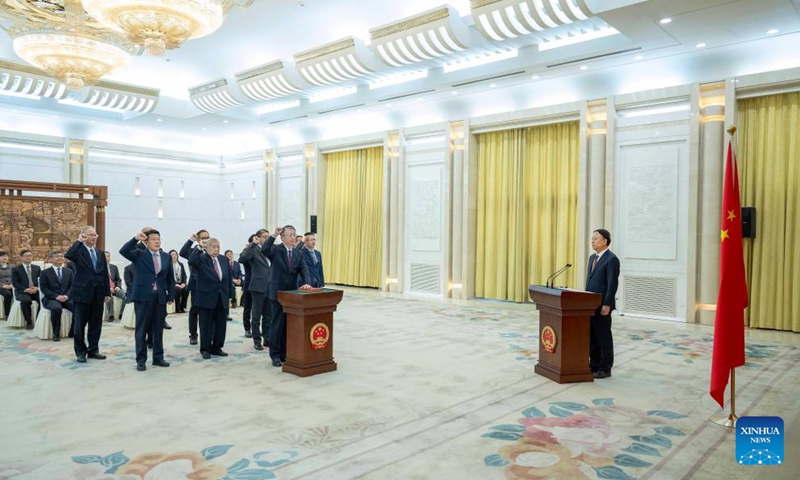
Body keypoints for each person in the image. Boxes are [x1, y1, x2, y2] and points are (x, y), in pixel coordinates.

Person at [120, 229, 175, 371]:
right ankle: (141, 359)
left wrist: (171, 295)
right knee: (141, 329)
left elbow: (170, 277)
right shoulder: (139, 254)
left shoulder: (166, 256)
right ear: (146, 242)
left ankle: (158, 357)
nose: (157, 241)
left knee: (158, 329)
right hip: (143, 297)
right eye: (153, 239)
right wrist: (135, 239)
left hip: (160, 297)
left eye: (159, 239)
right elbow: (123, 251)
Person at [265, 225, 312, 367]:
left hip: (292, 295)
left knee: (288, 325)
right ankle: (275, 354)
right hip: (277, 293)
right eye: (290, 235)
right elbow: (264, 250)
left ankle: (285, 353)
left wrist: (307, 283)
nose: (293, 238)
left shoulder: (298, 253)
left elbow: (304, 269)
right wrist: (273, 235)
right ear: (282, 237)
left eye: (294, 235)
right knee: (277, 324)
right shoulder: (276, 250)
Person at [65, 226, 111, 363]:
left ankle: (93, 350)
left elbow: (104, 274)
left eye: (95, 235)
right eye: (90, 235)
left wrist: (106, 292)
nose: (93, 237)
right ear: (83, 236)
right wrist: (79, 241)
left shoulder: (100, 252)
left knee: (96, 324)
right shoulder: (79, 251)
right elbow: (69, 255)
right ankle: (80, 352)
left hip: (98, 294)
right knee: (79, 325)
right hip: (82, 294)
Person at [188, 236, 234, 359]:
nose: (216, 249)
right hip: (206, 298)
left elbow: (228, 279)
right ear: (207, 248)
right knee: (205, 325)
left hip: (221, 297)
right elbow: (191, 260)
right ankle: (205, 349)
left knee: (221, 325)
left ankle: (217, 347)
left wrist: (230, 296)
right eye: (213, 247)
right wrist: (198, 247)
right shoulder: (202, 259)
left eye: (218, 247)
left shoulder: (223, 259)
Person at [586, 228, 620, 379]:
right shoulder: (592, 258)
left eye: (596, 238)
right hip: (590, 304)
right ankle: (594, 364)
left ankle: (606, 367)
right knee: (592, 336)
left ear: (605, 241)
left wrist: (607, 304)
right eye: (592, 238)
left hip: (603, 305)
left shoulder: (612, 259)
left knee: (603, 336)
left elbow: (612, 284)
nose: (592, 241)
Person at [239, 229, 272, 351]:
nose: (266, 239)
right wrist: (253, 244)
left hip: (270, 287)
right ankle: (257, 340)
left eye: (268, 237)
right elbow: (242, 259)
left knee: (268, 316)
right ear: (258, 238)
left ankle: (267, 338)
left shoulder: (270, 250)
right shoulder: (253, 250)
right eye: (264, 237)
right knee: (256, 315)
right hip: (257, 287)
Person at [180, 229, 210, 345]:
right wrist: (190, 240)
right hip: (196, 284)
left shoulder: (211, 250)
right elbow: (182, 252)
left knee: (208, 311)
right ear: (198, 240)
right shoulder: (193, 251)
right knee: (195, 311)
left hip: (209, 285)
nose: (205, 240)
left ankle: (207, 334)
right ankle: (193, 335)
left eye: (207, 237)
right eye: (203, 238)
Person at [38, 249, 73, 341]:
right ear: (51, 259)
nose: (60, 258)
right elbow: (44, 288)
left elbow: (72, 286)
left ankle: (73, 331)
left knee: (78, 307)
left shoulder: (68, 271)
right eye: (57, 256)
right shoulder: (44, 272)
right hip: (51, 298)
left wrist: (66, 296)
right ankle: (56, 333)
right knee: (56, 308)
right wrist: (56, 296)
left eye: (61, 256)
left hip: (66, 297)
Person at [11, 249, 41, 330]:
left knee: (43, 299)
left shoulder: (37, 268)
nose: (28, 257)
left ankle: (38, 320)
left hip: (35, 290)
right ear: (21, 257)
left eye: (30, 256)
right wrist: (26, 289)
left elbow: (41, 280)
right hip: (22, 291)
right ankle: (29, 322)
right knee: (26, 301)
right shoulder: (16, 269)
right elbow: (15, 283)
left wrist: (37, 288)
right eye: (26, 256)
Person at [239, 234, 256, 339]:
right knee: (248, 308)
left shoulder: (260, 252)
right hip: (249, 284)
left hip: (260, 285)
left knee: (258, 309)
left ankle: (257, 328)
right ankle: (247, 328)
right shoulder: (246, 252)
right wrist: (248, 247)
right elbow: (242, 259)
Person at [104, 251, 126, 321]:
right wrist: (108, 288)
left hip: (115, 288)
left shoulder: (114, 267)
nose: (107, 258)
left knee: (126, 295)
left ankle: (121, 314)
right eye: (105, 256)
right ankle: (111, 315)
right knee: (109, 296)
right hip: (105, 289)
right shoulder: (99, 268)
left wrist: (118, 286)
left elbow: (118, 279)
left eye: (108, 256)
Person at [0, 250, 14, 318]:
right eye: (2, 256)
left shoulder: (12, 266)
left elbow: (16, 277)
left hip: (12, 286)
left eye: (6, 256)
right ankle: (7, 314)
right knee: (8, 294)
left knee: (18, 293)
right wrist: (3, 285)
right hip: (1, 286)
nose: (5, 258)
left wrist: (12, 285)